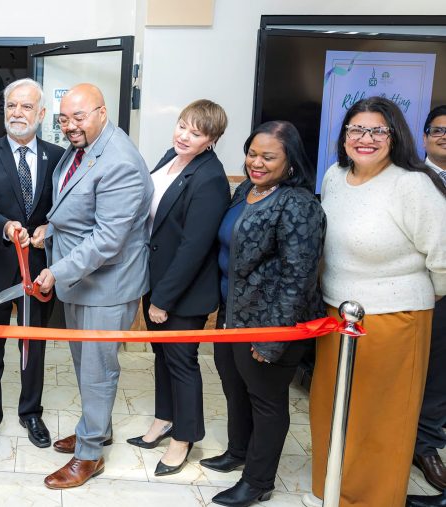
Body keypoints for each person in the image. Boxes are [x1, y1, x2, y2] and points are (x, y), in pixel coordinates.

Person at [309, 97, 446, 507]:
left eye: (377, 131)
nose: (365, 139)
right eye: (356, 130)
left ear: (395, 135)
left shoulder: (412, 184)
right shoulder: (334, 175)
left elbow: (443, 255)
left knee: (380, 416)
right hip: (336, 315)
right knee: (331, 409)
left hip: (394, 318)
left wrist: (419, 296)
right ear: (344, 136)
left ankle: (373, 499)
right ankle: (336, 489)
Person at [31, 83, 152, 489]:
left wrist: (57, 270)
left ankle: (89, 456)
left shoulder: (119, 161)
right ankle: (96, 430)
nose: (69, 126)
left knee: (97, 372)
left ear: (102, 112)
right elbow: (75, 206)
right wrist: (51, 228)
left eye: (78, 117)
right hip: (82, 281)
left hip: (106, 285)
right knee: (85, 366)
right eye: (63, 119)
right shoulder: (83, 147)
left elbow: (107, 239)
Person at [205, 121, 326, 506]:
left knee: (267, 400)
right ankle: (238, 451)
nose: (256, 162)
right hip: (232, 313)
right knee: (234, 385)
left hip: (271, 321)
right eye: (252, 153)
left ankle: (257, 482)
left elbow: (299, 276)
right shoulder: (247, 189)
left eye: (268, 157)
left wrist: (273, 337)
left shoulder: (300, 205)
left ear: (291, 161)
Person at [126, 99, 230, 476]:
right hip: (158, 279)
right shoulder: (172, 155)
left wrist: (164, 300)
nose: (184, 135)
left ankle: (185, 437)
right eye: (183, 125)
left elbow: (194, 247)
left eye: (196, 132)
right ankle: (164, 419)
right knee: (162, 357)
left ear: (212, 139)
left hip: (183, 291)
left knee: (182, 363)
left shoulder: (211, 178)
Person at [0, 78, 64, 459]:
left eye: (25, 107)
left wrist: (50, 227)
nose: (17, 113)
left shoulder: (58, 157)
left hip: (38, 272)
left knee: (32, 347)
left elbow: (66, 210)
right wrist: (4, 226)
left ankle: (31, 413)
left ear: (41, 114)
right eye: (11, 106)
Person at [409, 105, 446, 503]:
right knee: (425, 369)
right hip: (427, 293)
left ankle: (427, 441)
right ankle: (415, 444)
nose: (444, 136)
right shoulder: (409, 179)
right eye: (437, 130)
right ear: (423, 137)